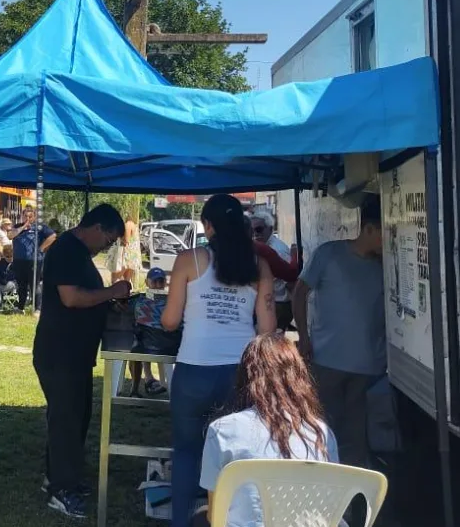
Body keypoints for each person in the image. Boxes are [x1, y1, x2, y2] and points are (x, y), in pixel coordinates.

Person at [160, 194, 277, 527]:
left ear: (207, 226)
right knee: (236, 455)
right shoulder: (259, 265)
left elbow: (169, 321)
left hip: (193, 369)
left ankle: (180, 522)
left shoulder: (189, 260)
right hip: (240, 373)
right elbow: (267, 329)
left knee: (186, 451)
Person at [33, 204, 129, 519]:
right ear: (98, 227)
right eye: (110, 239)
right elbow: (71, 298)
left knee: (76, 417)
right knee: (66, 420)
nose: (108, 246)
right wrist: (112, 291)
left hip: (75, 352)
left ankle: (61, 476)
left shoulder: (78, 252)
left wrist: (108, 303)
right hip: (59, 351)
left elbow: (85, 296)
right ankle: (62, 489)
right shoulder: (65, 250)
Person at [194, 332, 339, 527]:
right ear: (299, 376)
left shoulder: (223, 430)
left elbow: (215, 515)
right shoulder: (322, 433)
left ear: (245, 377)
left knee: (199, 516)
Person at [292, 194, 384, 471]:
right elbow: (299, 293)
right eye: (384, 232)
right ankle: (320, 478)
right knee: (323, 426)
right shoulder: (329, 253)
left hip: (368, 366)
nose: (387, 241)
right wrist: (304, 338)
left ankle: (353, 497)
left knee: (356, 436)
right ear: (368, 228)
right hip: (326, 360)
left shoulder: (384, 264)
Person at [128, 267, 177, 397]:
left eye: (160, 281)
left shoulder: (139, 300)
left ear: (165, 283)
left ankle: (143, 383)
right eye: (154, 281)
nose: (157, 285)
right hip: (164, 345)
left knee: (135, 343)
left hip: (158, 345)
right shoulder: (173, 301)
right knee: (138, 340)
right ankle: (146, 381)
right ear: (147, 282)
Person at [251, 211, 296, 330]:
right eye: (252, 230)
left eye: (259, 229)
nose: (255, 234)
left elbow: (291, 283)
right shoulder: (261, 248)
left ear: (270, 229)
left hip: (278, 304)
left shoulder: (278, 250)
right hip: (267, 303)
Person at [8, 206, 57, 312]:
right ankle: (20, 307)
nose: (28, 218)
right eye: (25, 216)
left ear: (34, 217)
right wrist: (23, 227)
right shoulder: (17, 227)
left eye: (30, 216)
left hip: (34, 261)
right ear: (22, 216)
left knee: (34, 284)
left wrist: (41, 248)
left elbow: (53, 236)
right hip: (19, 261)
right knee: (21, 285)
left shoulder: (40, 227)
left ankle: (37, 308)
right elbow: (10, 236)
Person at [107, 220, 143, 285]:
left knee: (115, 281)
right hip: (131, 257)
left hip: (125, 257)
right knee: (126, 282)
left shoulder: (128, 224)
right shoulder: (134, 224)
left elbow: (125, 241)